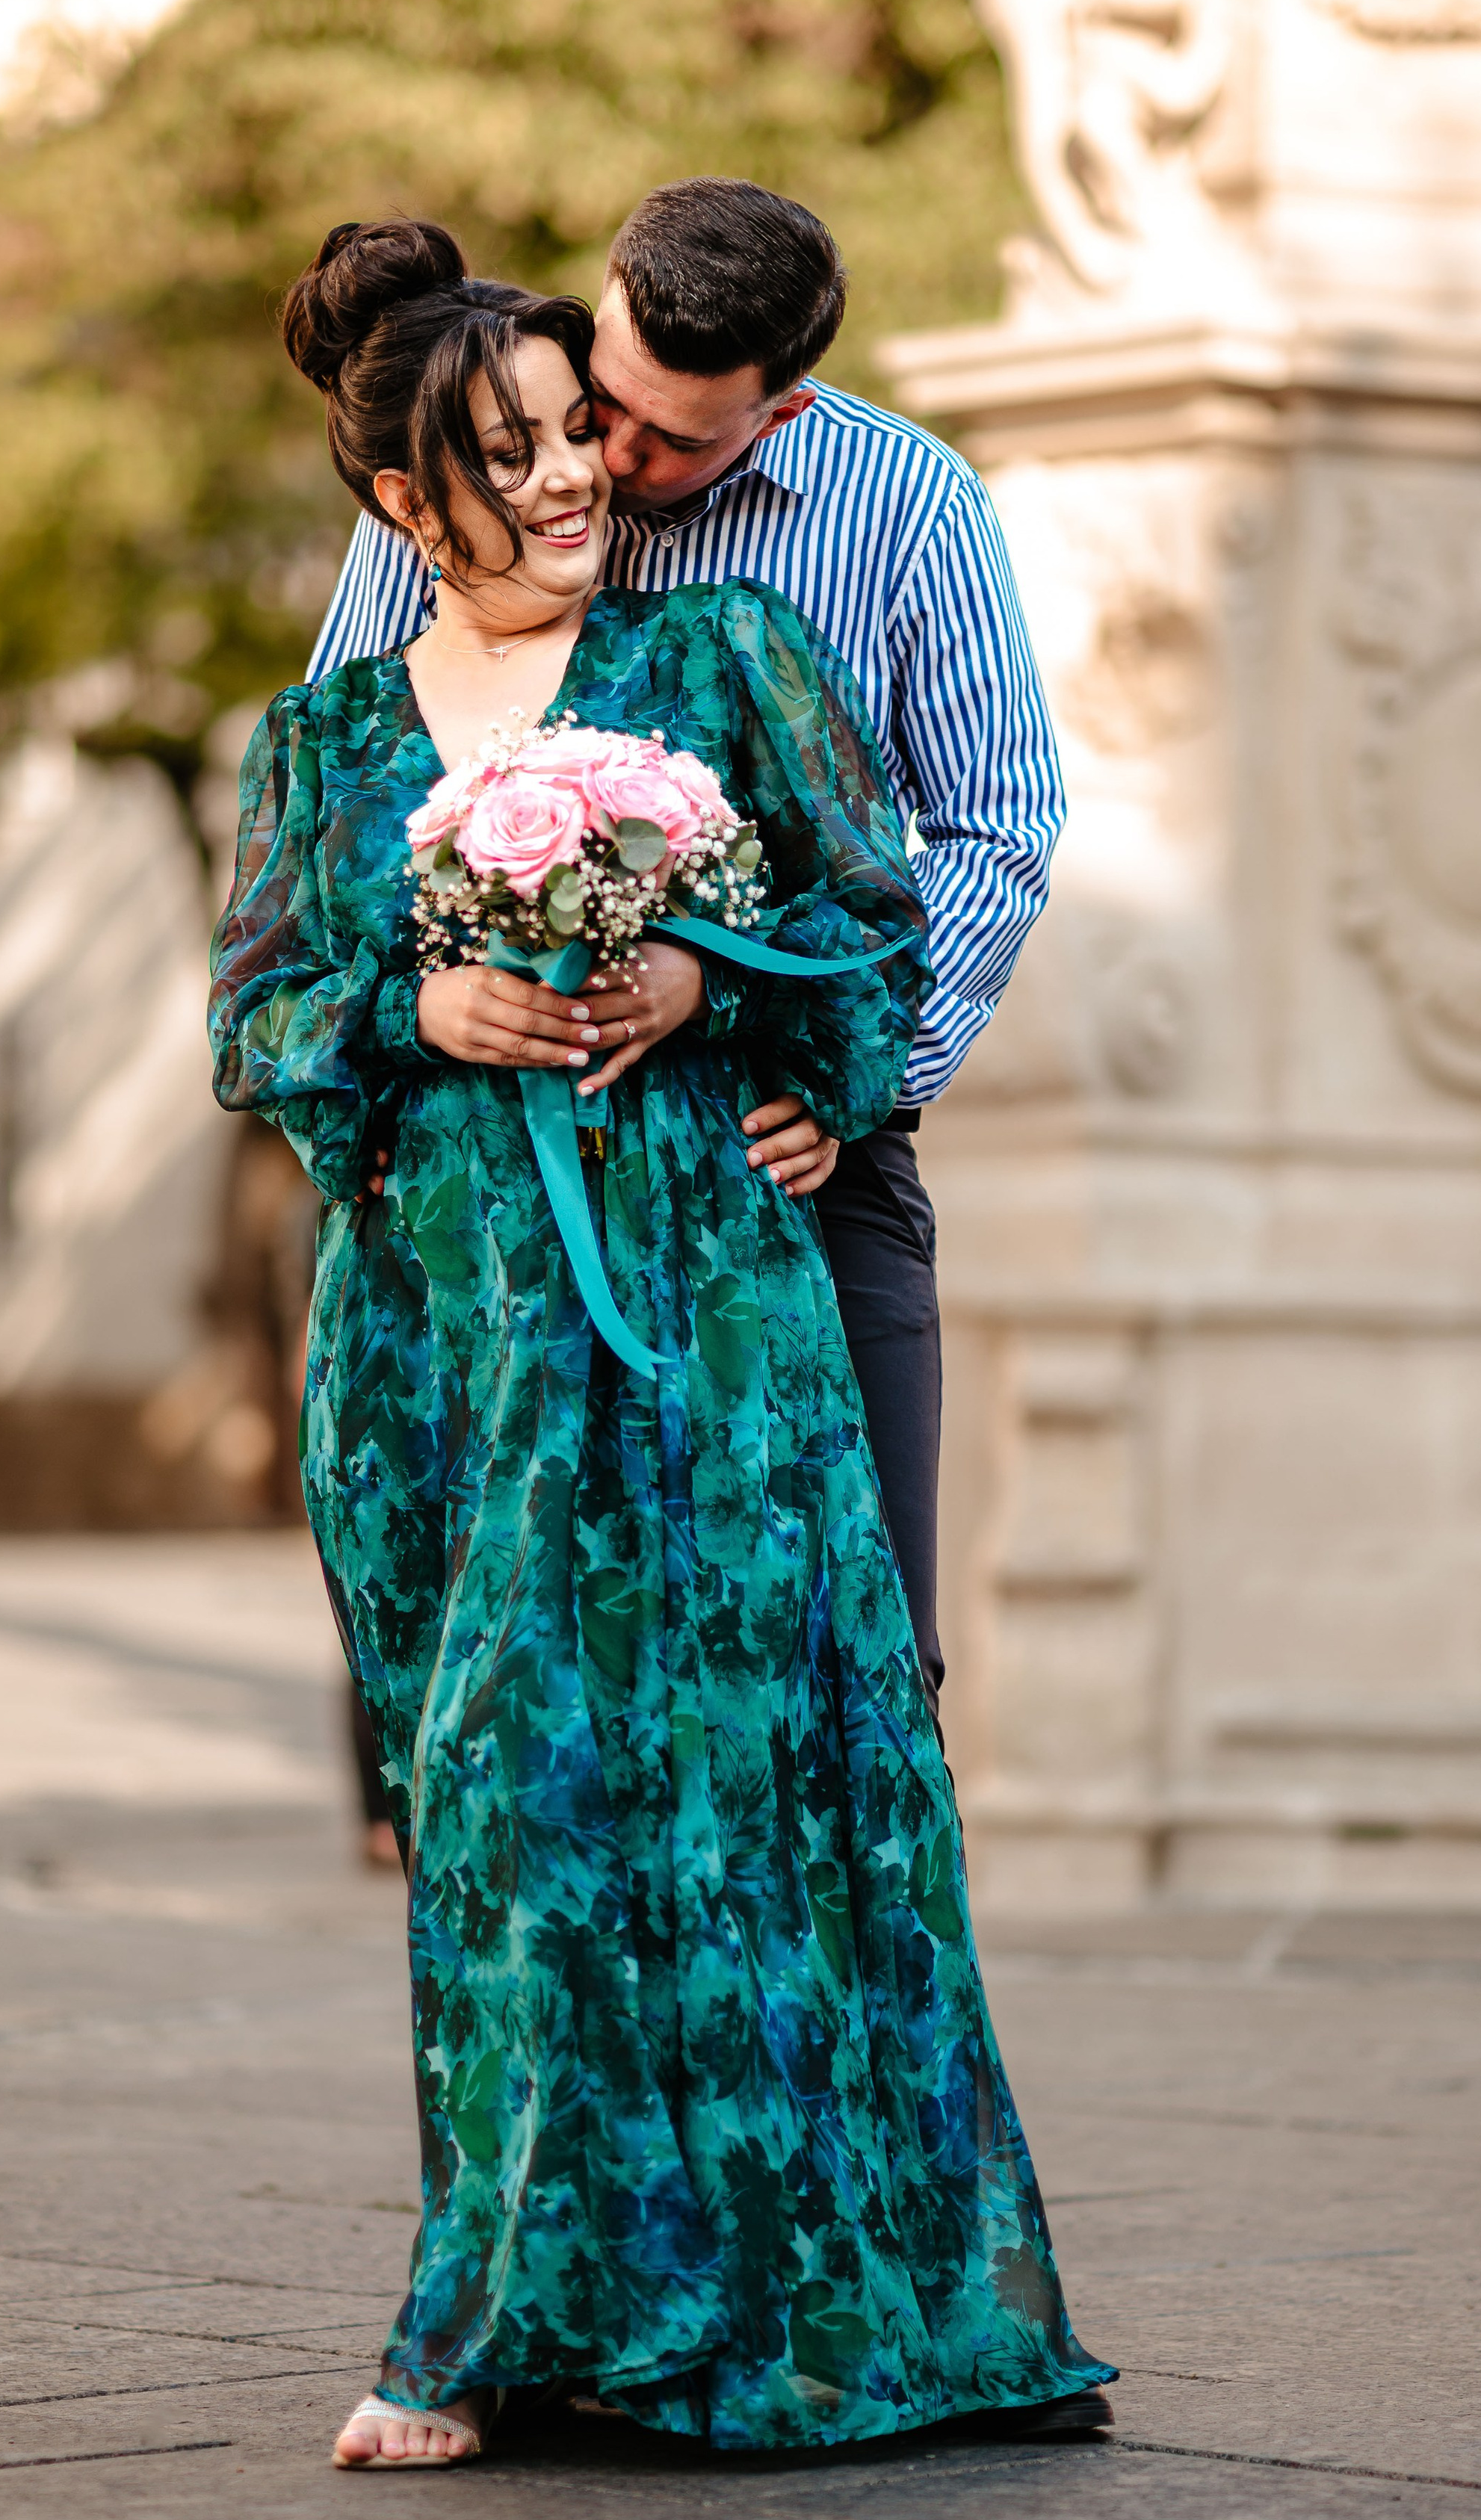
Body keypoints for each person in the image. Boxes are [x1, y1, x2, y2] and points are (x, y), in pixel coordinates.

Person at [209, 217, 1111, 2467]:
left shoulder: (730, 653)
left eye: (574, 438)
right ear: (404, 501)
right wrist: (416, 1003)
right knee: (503, 1800)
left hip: (716, 1305)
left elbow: (885, 905)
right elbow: (258, 1018)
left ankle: (822, 2290)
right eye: (515, 450)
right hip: (447, 1344)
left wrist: (727, 989)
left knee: (769, 1776)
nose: (571, 476)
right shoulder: (325, 732)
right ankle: (512, 2311)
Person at [305, 178, 1065, 1715]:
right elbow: (345, 828)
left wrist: (839, 1076)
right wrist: (415, 1028)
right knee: (534, 1697)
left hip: (790, 1152)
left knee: (849, 1670)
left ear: (781, 410)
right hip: (507, 1169)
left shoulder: (910, 510)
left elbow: (996, 828)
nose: (613, 465)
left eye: (674, 442)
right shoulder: (478, 454)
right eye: (609, 407)